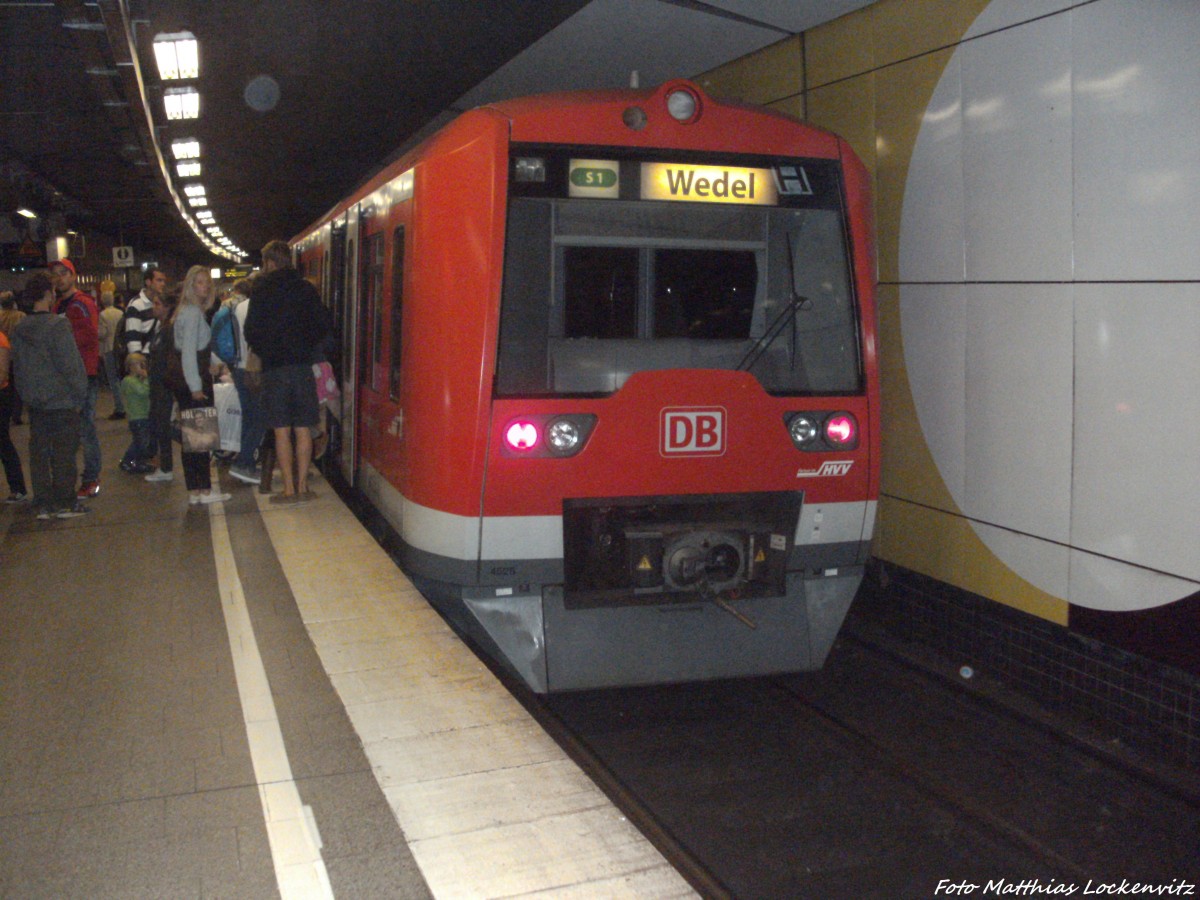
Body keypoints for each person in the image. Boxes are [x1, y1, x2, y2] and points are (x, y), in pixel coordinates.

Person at [244, 241, 331, 503]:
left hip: (274, 370)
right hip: (302, 367)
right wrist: (305, 345)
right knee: (304, 427)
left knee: (281, 430)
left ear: (269, 262)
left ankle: (289, 489)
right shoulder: (305, 289)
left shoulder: (261, 291)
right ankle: (304, 486)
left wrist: (267, 349)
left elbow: (251, 331)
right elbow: (323, 324)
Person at [10, 272, 89, 519]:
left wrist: (27, 395)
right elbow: (70, 365)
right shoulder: (57, 325)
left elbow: (18, 368)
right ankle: (65, 501)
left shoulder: (19, 329)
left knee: (39, 454)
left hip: (36, 403)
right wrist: (80, 394)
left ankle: (43, 503)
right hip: (62, 401)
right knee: (65, 453)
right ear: (47, 294)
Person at [170, 266, 229, 505]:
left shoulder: (184, 311)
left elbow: (192, 348)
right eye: (200, 282)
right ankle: (203, 489)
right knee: (201, 438)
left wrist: (215, 363)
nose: (205, 287)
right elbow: (188, 354)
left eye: (207, 283)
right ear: (190, 285)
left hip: (188, 379)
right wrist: (196, 386)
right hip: (194, 381)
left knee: (192, 439)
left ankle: (195, 490)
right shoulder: (193, 313)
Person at [49, 259, 101, 498]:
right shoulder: (59, 304)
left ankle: (91, 479)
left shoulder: (80, 304)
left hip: (83, 375)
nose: (59, 278)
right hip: (67, 376)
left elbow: (88, 336)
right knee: (74, 430)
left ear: (73, 276)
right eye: (55, 275)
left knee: (85, 430)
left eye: (63, 273)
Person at [218, 277, 266, 485]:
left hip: (238, 368)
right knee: (260, 418)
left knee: (249, 416)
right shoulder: (259, 308)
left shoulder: (237, 307)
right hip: (254, 369)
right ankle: (244, 461)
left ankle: (245, 464)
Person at [143, 287, 178, 483]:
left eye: (157, 304)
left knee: (164, 426)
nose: (154, 307)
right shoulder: (160, 327)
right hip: (157, 385)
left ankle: (166, 467)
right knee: (160, 425)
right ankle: (164, 466)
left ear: (167, 307)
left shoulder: (168, 330)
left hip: (165, 385)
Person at [0, 319, 29, 502]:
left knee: (3, 442)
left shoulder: (1, 340)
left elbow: (2, 372)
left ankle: (18, 487)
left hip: (1, 395)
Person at [118, 353, 153, 473]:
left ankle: (137, 462)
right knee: (140, 442)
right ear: (131, 366)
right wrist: (147, 379)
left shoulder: (137, 380)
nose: (143, 367)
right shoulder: (129, 381)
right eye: (140, 365)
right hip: (137, 417)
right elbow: (144, 392)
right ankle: (130, 461)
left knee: (141, 441)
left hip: (143, 415)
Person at [97, 290, 126, 420]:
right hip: (120, 349)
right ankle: (125, 405)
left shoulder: (102, 315)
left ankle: (120, 407)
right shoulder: (120, 313)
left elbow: (101, 334)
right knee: (121, 378)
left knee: (113, 379)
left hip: (109, 348)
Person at [0, 292, 26, 426]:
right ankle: (16, 414)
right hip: (17, 357)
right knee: (17, 388)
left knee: (4, 388)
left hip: (1, 357)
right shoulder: (21, 316)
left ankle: (5, 413)